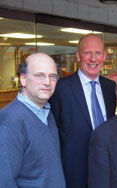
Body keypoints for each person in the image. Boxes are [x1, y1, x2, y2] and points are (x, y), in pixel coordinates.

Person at [49, 34, 117, 188]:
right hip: (74, 174)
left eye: (98, 53)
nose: (93, 59)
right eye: (87, 53)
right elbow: (53, 135)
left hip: (106, 171)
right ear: (78, 56)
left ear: (104, 56)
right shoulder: (61, 89)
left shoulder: (110, 88)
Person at [0, 53, 66, 188]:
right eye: (39, 75)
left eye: (52, 76)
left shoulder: (47, 113)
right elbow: (4, 181)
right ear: (23, 79)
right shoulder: (11, 121)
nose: (47, 82)